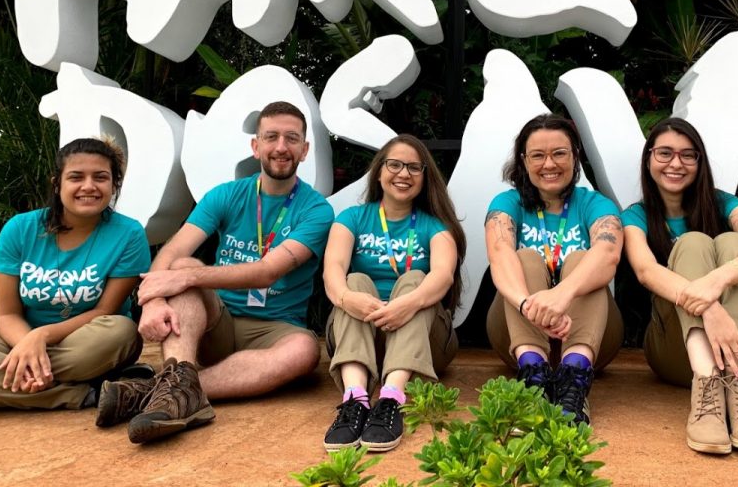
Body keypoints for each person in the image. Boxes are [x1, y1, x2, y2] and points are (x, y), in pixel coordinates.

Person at [97, 101, 334, 444]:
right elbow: (174, 250)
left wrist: (189, 277)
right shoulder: (226, 195)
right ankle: (178, 387)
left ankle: (164, 391)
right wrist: (154, 299)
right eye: (271, 137)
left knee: (304, 351)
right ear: (256, 146)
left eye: (292, 138)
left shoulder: (316, 210)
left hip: (275, 327)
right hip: (214, 321)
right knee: (182, 265)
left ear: (305, 149)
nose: (281, 147)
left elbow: (268, 272)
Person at [0, 137, 150, 412]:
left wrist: (41, 338)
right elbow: (8, 315)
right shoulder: (20, 229)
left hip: (90, 340)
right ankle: (85, 395)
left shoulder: (129, 234)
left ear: (114, 185)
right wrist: (27, 342)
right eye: (76, 177)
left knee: (121, 331)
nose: (89, 186)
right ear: (57, 183)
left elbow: (105, 310)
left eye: (100, 177)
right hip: (21, 336)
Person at [621, 117, 738, 455]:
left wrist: (714, 284)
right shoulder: (636, 215)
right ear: (649, 158)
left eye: (687, 155)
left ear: (699, 162)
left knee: (737, 244)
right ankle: (707, 390)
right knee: (692, 243)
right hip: (677, 355)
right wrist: (710, 309)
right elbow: (646, 271)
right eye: (664, 153)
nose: (675, 163)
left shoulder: (726, 204)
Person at [321, 134, 465, 452]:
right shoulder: (352, 219)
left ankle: (391, 399)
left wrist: (407, 304)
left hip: (423, 340)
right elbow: (332, 270)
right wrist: (348, 298)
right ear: (379, 171)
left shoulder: (436, 226)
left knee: (418, 280)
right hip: (361, 335)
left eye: (414, 167)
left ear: (425, 177)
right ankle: (356, 399)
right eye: (395, 164)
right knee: (353, 281)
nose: (404, 173)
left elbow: (442, 277)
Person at [484, 114, 624, 425]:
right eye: (538, 155)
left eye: (559, 153)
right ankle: (533, 377)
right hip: (518, 332)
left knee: (582, 259)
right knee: (524, 257)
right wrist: (529, 305)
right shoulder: (508, 203)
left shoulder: (594, 204)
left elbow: (608, 254)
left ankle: (575, 379)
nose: (549, 164)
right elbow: (499, 253)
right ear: (524, 161)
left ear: (575, 157)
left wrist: (562, 295)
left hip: (591, 337)